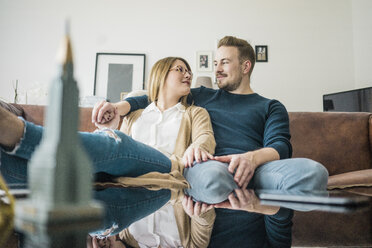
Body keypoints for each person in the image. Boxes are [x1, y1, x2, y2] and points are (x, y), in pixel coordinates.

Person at [93, 36, 329, 247]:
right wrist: (119, 107)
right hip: (206, 172)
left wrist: (250, 159)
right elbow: (154, 96)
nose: (217, 69)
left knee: (313, 175)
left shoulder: (270, 106)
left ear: (246, 66)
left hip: (256, 169)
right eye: (215, 63)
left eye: (224, 62)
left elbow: (280, 146)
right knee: (214, 179)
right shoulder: (201, 95)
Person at [0, 56, 242, 248]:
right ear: (160, 74)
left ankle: (15, 146)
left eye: (188, 70)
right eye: (180, 69)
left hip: (166, 179)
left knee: (102, 220)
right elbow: (106, 149)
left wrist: (113, 244)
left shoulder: (195, 113)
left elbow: (205, 137)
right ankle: (19, 136)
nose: (188, 74)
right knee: (113, 143)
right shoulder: (134, 115)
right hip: (119, 164)